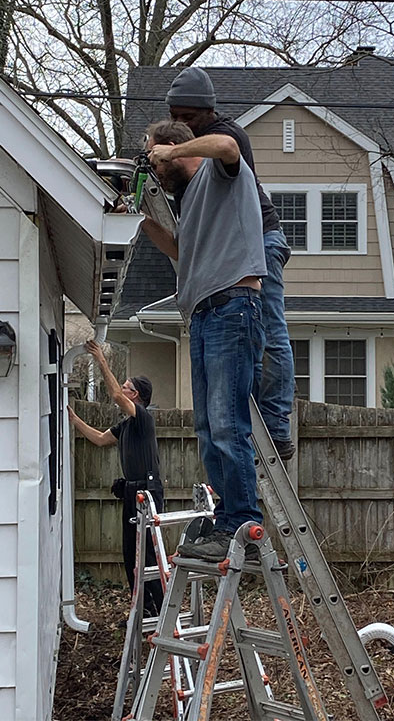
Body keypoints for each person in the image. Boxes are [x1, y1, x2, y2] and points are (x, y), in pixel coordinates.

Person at [142, 120, 266, 562]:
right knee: (208, 427)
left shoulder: (220, 173)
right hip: (203, 315)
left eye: (157, 156)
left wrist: (170, 153)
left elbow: (228, 144)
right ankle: (226, 519)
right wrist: (143, 216)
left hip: (233, 305)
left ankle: (243, 524)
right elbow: (179, 250)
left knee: (227, 423)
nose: (157, 169)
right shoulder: (190, 201)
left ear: (176, 147)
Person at [165, 67, 296, 460]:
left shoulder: (228, 134)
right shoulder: (191, 178)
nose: (182, 124)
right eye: (176, 117)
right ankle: (256, 411)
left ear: (207, 112)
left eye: (188, 117)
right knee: (254, 343)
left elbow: (224, 148)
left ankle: (276, 424)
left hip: (261, 241)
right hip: (228, 259)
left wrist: (172, 149)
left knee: (270, 333)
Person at [67, 340, 164, 616]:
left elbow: (115, 397)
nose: (121, 389)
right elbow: (98, 439)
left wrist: (102, 362)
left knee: (147, 555)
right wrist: (74, 420)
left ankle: (158, 611)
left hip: (148, 493)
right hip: (133, 493)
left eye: (126, 386)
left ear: (136, 396)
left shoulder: (144, 419)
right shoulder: (125, 426)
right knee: (131, 554)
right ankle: (142, 611)